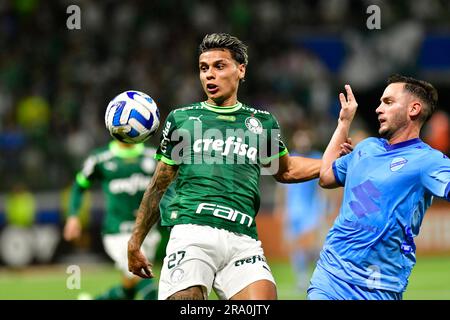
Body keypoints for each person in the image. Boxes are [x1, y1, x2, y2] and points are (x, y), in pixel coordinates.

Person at [127, 33, 326, 300]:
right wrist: (136, 239)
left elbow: (286, 170)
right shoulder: (183, 119)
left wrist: (336, 164)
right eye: (203, 68)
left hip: (243, 239)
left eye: (219, 66)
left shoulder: (262, 123)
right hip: (193, 231)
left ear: (241, 70)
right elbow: (159, 183)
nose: (209, 75)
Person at [308, 75, 450, 300]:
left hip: (380, 286)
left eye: (388, 102)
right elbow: (326, 176)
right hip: (331, 275)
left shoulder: (428, 161)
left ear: (413, 109)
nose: (378, 109)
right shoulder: (367, 148)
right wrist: (344, 123)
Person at [64, 140, 161, 300]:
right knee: (144, 279)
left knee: (129, 288)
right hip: (118, 232)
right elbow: (79, 184)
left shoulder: (152, 155)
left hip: (147, 232)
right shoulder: (100, 158)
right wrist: (73, 216)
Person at [274, 128, 330, 294]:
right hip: (293, 209)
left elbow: (325, 183)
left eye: (305, 137)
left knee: (315, 246)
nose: (303, 141)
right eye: (300, 138)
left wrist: (324, 206)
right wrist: (280, 207)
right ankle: (302, 278)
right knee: (296, 246)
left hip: (312, 209)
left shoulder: (318, 157)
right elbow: (282, 186)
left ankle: (320, 277)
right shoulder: (288, 158)